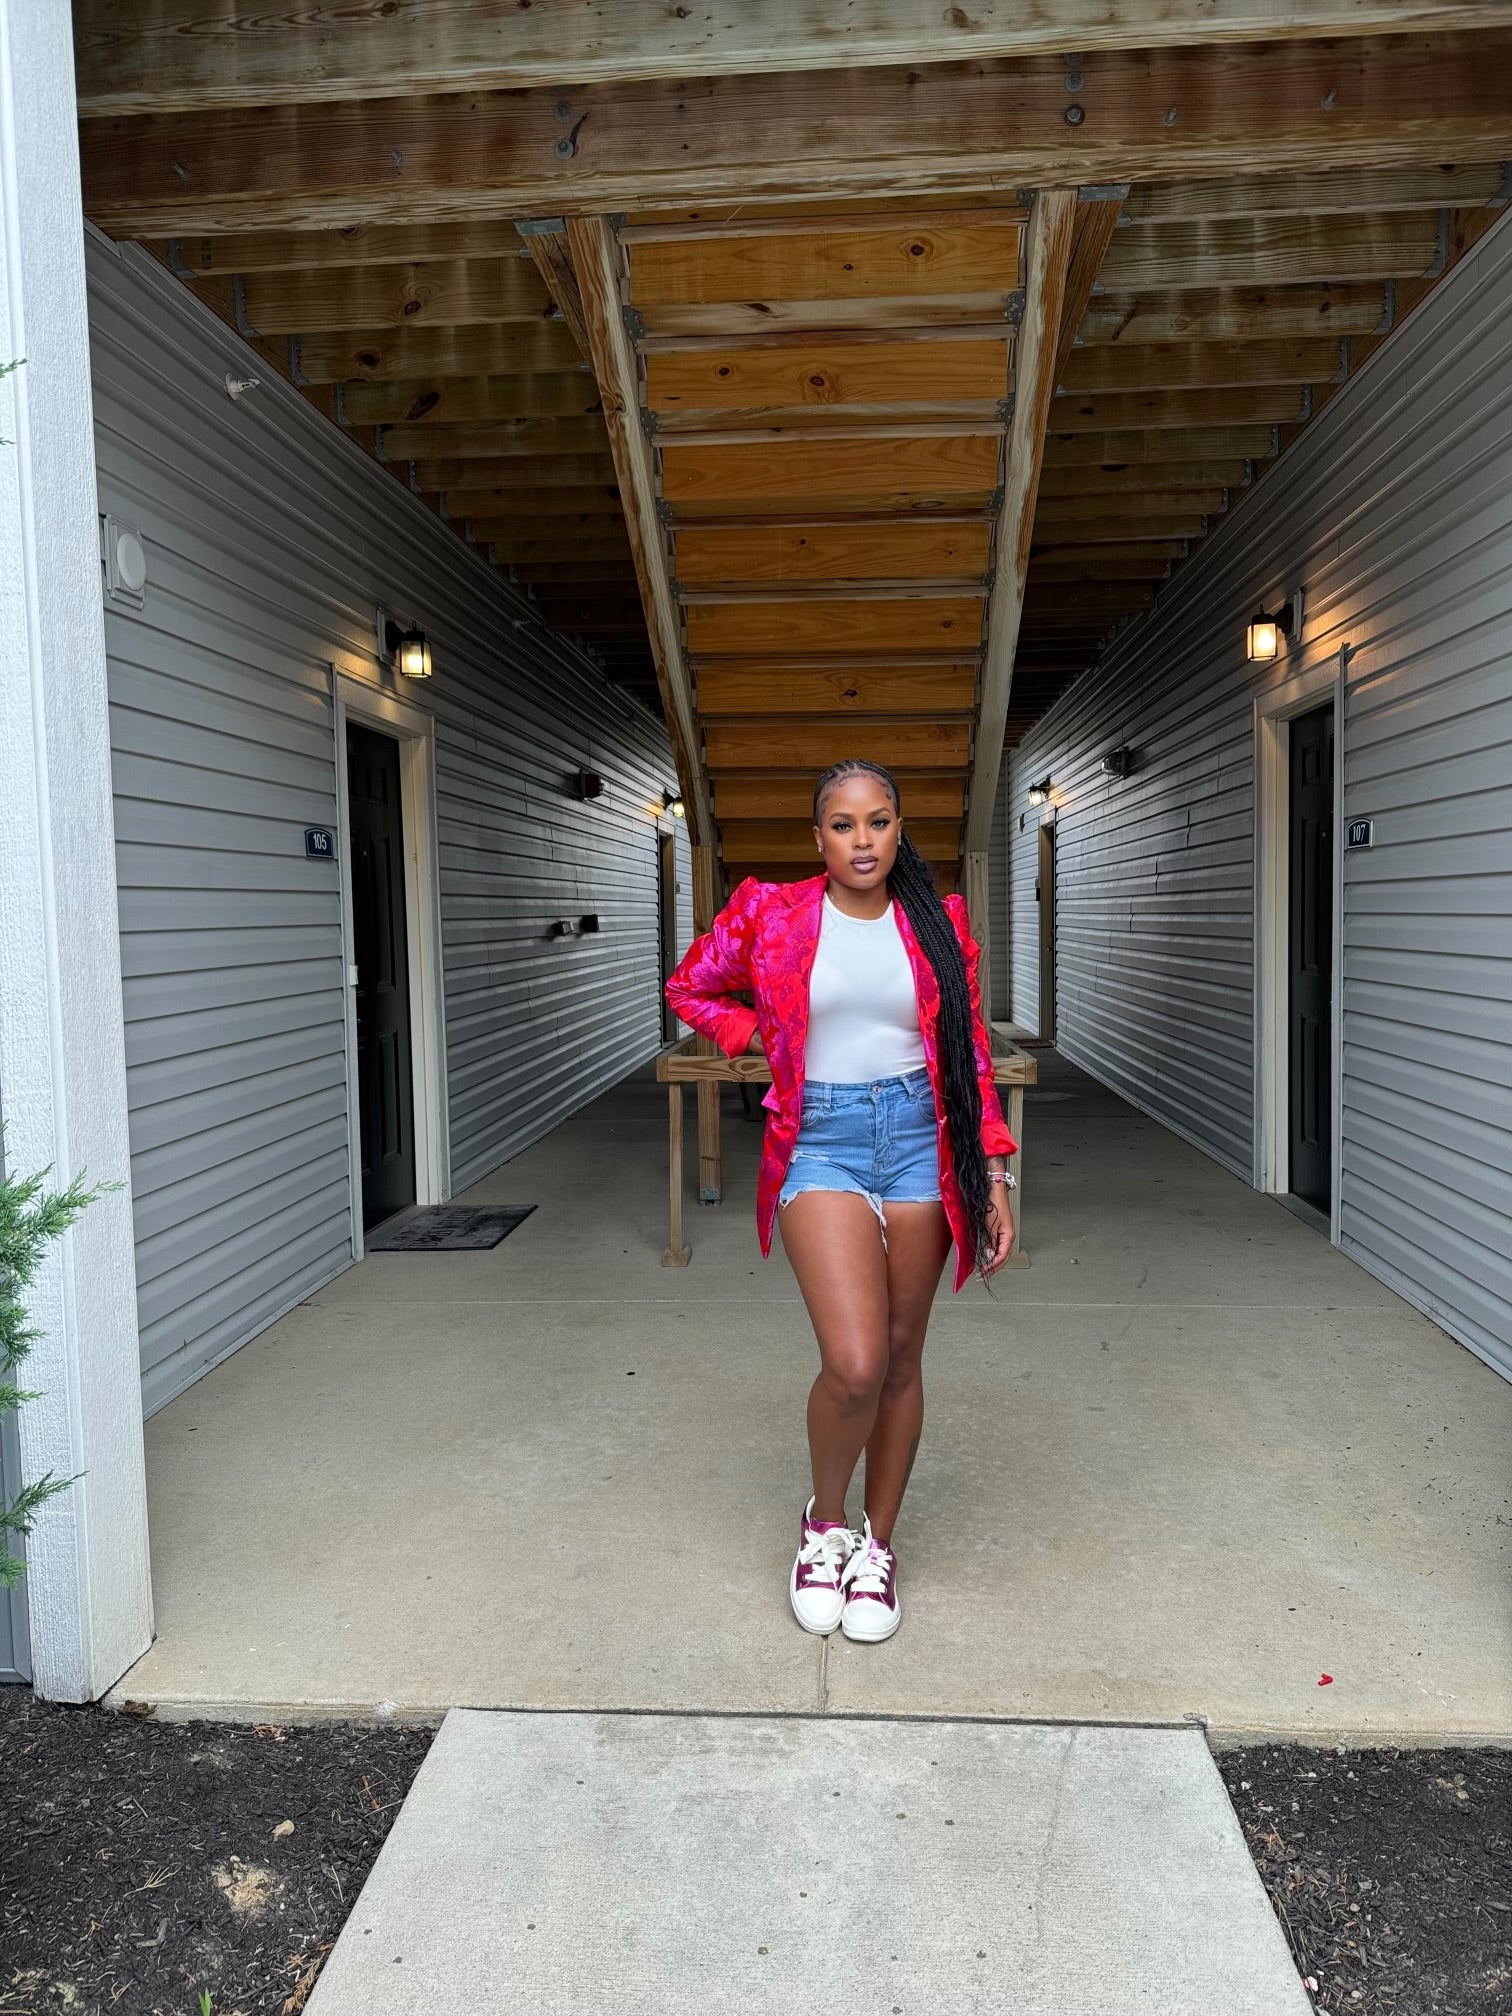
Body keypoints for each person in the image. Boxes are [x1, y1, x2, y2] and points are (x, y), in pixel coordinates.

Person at [665, 758, 1017, 1644]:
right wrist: (758, 1037)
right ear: (816, 837)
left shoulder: (940, 925)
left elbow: (970, 1055)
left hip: (920, 1140)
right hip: (819, 1139)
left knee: (902, 1357)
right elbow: (691, 986)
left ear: (901, 829)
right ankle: (824, 1524)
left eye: (879, 821)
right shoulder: (771, 914)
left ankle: (878, 1547)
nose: (863, 841)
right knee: (855, 1361)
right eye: (844, 825)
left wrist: (995, 1176)